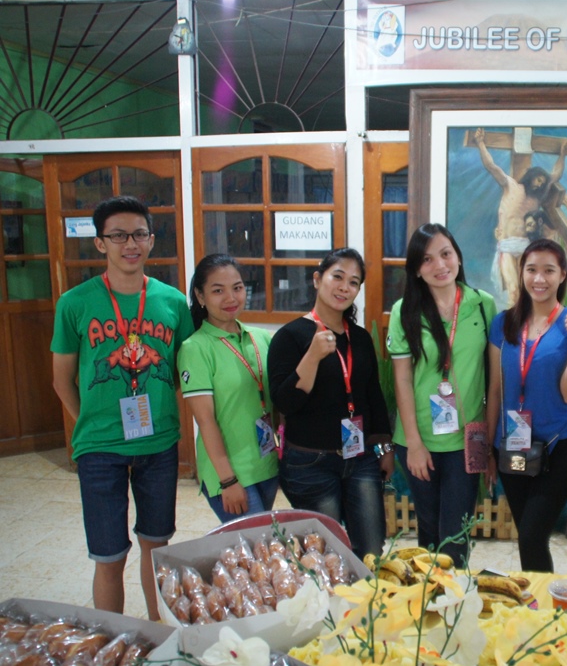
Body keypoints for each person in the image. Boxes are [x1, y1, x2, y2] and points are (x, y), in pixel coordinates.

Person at [50, 195, 194, 619]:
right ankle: (111, 639)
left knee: (156, 547)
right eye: (118, 236)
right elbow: (61, 379)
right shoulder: (74, 303)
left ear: (151, 240)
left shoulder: (173, 302)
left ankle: (157, 630)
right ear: (100, 243)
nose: (130, 244)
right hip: (99, 449)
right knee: (109, 556)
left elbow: (184, 371)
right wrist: (91, 423)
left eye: (139, 234)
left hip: (159, 443)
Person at [268, 248, 394, 559]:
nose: (344, 287)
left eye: (353, 282)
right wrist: (312, 356)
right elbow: (285, 402)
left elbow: (373, 396)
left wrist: (384, 449)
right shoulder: (290, 336)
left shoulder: (360, 338)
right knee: (327, 556)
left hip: (360, 458)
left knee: (371, 548)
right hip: (310, 464)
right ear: (317, 279)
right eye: (337, 277)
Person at [387, 223, 497, 565]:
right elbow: (402, 381)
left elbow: (494, 379)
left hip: (468, 440)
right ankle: (429, 592)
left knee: (456, 536)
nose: (439, 265)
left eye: (445, 254)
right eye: (427, 259)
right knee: (429, 531)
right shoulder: (404, 311)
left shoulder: (483, 305)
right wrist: (414, 444)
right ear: (416, 270)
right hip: (418, 439)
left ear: (458, 257)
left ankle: (453, 593)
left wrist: (490, 443)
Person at [486, 238, 567, 572]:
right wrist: (487, 449)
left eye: (549, 270)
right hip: (513, 447)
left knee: (532, 536)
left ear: (562, 275)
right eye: (531, 269)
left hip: (561, 444)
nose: (539, 278)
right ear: (521, 273)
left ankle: (542, 601)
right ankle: (538, 600)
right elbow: (495, 390)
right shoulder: (503, 324)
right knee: (529, 537)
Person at [178, 254, 279, 523]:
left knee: (261, 543)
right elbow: (205, 421)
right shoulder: (195, 348)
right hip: (230, 472)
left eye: (237, 288)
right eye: (218, 291)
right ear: (200, 296)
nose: (231, 298)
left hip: (266, 465)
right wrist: (227, 480)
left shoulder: (261, 338)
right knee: (258, 541)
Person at [474, 127, 567, 306]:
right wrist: (480, 143)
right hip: (508, 245)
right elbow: (491, 166)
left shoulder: (536, 199)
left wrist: (562, 155)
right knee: (513, 291)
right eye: (538, 179)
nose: (539, 184)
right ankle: (512, 324)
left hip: (527, 247)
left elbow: (555, 176)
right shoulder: (511, 186)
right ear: (531, 176)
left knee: (526, 294)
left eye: (542, 182)